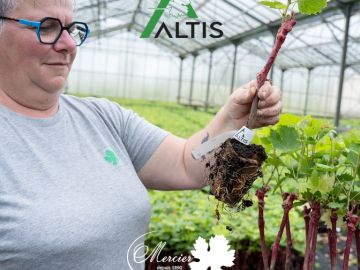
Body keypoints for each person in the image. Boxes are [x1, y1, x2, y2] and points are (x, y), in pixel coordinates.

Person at [0, 0, 282, 269]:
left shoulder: (103, 118)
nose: (69, 44)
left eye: (71, 29)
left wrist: (233, 117)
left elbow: (186, 164)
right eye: (46, 27)